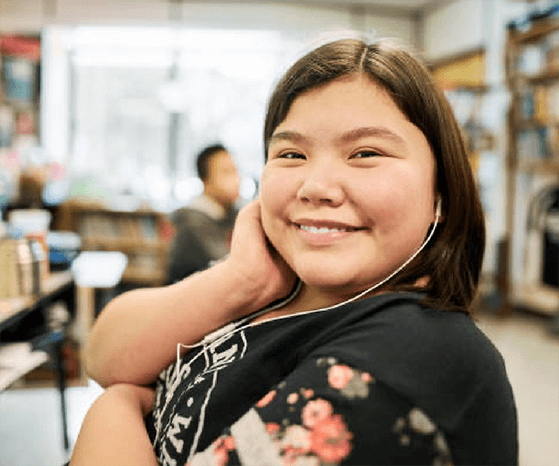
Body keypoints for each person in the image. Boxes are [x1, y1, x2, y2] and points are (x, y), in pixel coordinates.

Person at [70, 37, 518, 466]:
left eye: (365, 153)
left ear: (440, 190)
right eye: (291, 154)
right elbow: (105, 354)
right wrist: (240, 281)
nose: (315, 187)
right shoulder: (275, 287)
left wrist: (117, 405)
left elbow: (114, 381)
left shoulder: (415, 359)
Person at [167, 143, 240, 284]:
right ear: (205, 181)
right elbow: (229, 265)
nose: (236, 180)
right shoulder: (192, 221)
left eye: (236, 171)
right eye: (227, 172)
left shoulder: (231, 213)